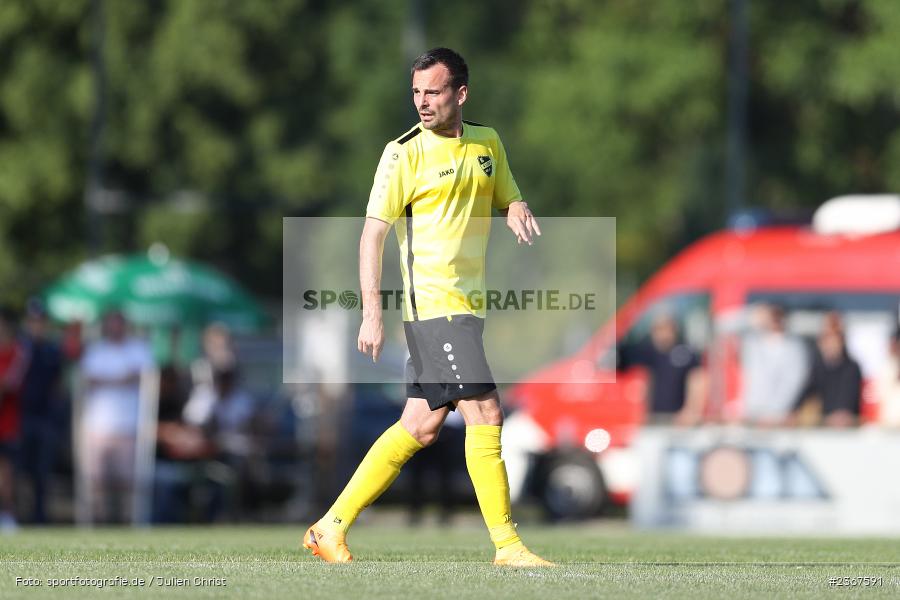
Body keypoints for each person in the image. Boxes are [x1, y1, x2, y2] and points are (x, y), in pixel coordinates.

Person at [303, 48, 552, 567]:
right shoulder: (402, 154)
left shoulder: (488, 143)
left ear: (460, 93)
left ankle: (330, 526)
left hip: (468, 309)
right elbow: (372, 236)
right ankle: (508, 546)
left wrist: (516, 206)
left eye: (433, 91)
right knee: (486, 412)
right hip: (433, 309)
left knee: (419, 426)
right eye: (416, 91)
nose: (422, 102)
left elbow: (504, 192)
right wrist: (372, 312)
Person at [78, 310, 154, 523]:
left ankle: (127, 521)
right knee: (97, 480)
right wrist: (121, 379)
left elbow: (145, 377)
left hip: (130, 426)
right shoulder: (96, 351)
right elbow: (88, 379)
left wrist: (109, 380)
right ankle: (100, 522)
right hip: (98, 426)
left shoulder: (139, 349)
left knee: (128, 480)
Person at [18, 300, 64, 524]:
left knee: (42, 472)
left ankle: (39, 517)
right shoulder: (20, 348)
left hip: (45, 418)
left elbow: (58, 385)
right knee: (18, 470)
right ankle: (17, 515)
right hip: (20, 417)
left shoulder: (51, 349)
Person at [618, 313, 705, 425]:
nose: (661, 334)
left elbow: (698, 380)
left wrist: (691, 411)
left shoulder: (685, 354)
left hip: (677, 419)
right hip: (653, 417)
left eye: (665, 328)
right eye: (657, 329)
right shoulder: (647, 353)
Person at [740, 304, 809, 426]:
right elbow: (725, 325)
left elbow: (792, 383)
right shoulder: (753, 342)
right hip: (751, 413)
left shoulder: (794, 348)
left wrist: (775, 413)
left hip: (777, 418)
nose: (773, 321)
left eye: (776, 317)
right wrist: (751, 316)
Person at [792, 313, 861, 427]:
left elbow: (847, 402)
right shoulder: (818, 367)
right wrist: (793, 411)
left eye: (835, 338)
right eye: (826, 338)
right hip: (824, 425)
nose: (831, 343)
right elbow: (805, 393)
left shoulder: (851, 367)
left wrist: (841, 414)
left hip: (844, 428)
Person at [0, 309, 27, 531]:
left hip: (8, 424)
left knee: (6, 473)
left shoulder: (17, 352)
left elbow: (10, 384)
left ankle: (8, 514)